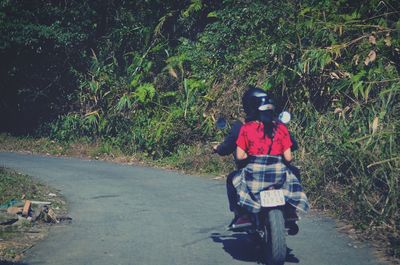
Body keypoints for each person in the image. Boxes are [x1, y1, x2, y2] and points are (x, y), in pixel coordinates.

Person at [233, 86, 309, 224]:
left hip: (254, 175)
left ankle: (243, 214)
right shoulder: (281, 129)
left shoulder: (246, 128)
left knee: (235, 180)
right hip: (278, 174)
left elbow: (240, 156)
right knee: (294, 174)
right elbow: (288, 158)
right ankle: (291, 210)